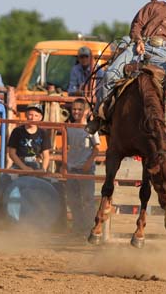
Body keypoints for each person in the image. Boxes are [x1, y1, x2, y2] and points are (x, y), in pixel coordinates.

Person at [86, 0, 166, 136]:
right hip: (140, 45)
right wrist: (138, 40)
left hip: (165, 55)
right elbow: (137, 25)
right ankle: (100, 117)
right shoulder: (152, 7)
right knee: (110, 75)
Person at [66, 98, 100, 236]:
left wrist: (88, 163)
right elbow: (65, 146)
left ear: (86, 111)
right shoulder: (69, 128)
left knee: (87, 200)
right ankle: (77, 227)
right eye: (74, 109)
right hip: (72, 168)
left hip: (86, 169)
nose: (76, 112)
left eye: (80, 109)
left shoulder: (91, 128)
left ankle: (88, 228)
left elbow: (97, 148)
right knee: (73, 200)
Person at [7, 103, 51, 171]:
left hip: (36, 165)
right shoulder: (17, 131)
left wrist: (43, 169)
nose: (33, 118)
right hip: (19, 165)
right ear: (26, 114)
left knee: (53, 181)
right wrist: (24, 168)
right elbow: (12, 153)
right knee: (4, 179)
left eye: (36, 116)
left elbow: (46, 156)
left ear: (40, 118)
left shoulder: (43, 133)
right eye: (30, 115)